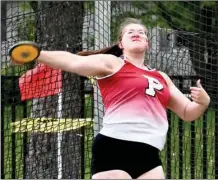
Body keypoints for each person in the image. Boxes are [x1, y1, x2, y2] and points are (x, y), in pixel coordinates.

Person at [11, 18, 210, 179]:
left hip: (149, 153)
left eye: (141, 32)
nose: (137, 33)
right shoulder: (113, 63)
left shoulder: (162, 77)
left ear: (148, 43)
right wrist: (37, 54)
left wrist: (203, 102)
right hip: (115, 147)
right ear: (120, 44)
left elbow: (187, 113)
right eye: (130, 32)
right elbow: (74, 61)